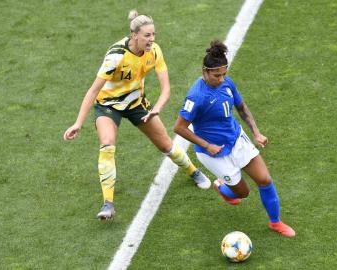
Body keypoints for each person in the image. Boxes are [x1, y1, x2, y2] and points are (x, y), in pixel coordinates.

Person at [63, 10, 210, 221]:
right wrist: (78, 123)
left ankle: (193, 171)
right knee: (107, 145)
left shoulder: (155, 52)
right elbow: (93, 90)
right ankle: (108, 204)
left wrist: (157, 107)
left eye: (153, 35)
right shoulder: (116, 56)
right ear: (135, 36)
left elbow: (166, 88)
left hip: (136, 103)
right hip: (108, 105)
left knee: (165, 145)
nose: (152, 39)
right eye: (147, 35)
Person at [173, 40, 295, 237]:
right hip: (213, 153)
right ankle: (222, 186)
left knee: (264, 179)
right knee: (242, 193)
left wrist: (256, 132)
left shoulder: (227, 83)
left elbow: (241, 107)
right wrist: (207, 145)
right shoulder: (196, 96)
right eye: (216, 75)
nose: (221, 79)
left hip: (237, 140)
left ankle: (276, 222)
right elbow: (178, 127)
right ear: (205, 71)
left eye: (224, 74)